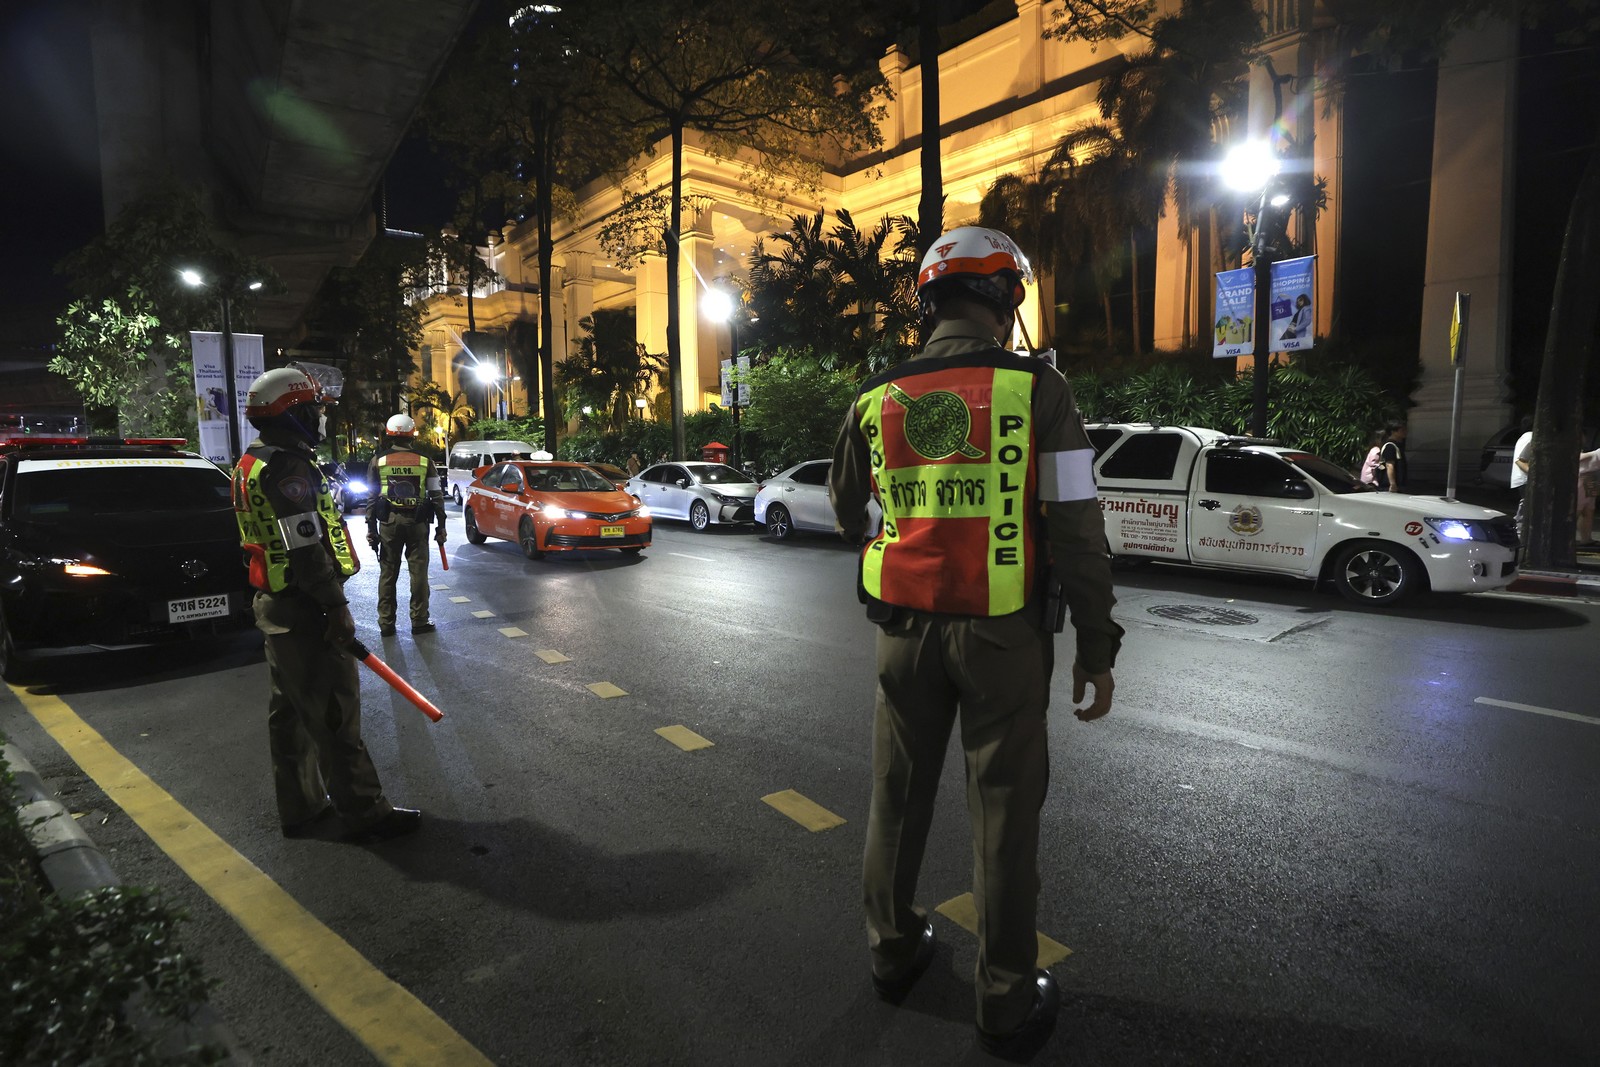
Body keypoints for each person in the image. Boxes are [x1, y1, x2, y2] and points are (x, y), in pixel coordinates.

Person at [829, 225, 1123, 1059]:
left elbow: (848, 508)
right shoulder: (1040, 390)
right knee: (1001, 816)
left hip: (902, 633)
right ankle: (1003, 996)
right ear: (1007, 298)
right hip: (1004, 638)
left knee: (896, 795)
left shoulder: (876, 396)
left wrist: (908, 525)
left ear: (932, 298)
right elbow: (1076, 528)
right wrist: (1098, 647)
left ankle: (892, 950)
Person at [231, 366, 421, 842]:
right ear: (292, 413)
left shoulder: (254, 460)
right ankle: (365, 812)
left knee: (291, 715)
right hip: (306, 608)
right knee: (335, 714)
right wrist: (336, 607)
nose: (320, 417)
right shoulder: (287, 468)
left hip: (276, 605)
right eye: (314, 408)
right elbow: (305, 546)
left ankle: (302, 807)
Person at [366, 414, 448, 637]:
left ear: (390, 435)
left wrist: (370, 528)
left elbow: (372, 497)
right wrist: (441, 525)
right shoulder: (424, 461)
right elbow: (436, 495)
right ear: (412, 435)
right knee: (418, 573)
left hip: (389, 523)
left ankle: (386, 622)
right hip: (417, 523)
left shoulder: (378, 460)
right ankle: (419, 620)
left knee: (388, 573)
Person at [1376, 421, 1408, 493]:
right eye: (1402, 430)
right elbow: (1389, 465)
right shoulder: (1390, 446)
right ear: (1393, 432)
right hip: (1389, 486)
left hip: (1398, 484)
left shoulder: (1397, 445)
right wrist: (1392, 484)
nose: (1405, 432)